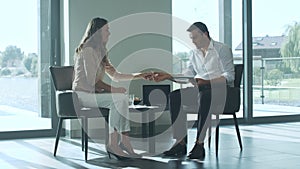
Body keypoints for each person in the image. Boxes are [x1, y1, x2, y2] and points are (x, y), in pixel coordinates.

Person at [72, 17, 151, 160]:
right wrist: (114, 90)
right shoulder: (87, 50)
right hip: (82, 94)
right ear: (98, 32)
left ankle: (124, 142)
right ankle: (113, 144)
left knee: (122, 99)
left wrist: (139, 75)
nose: (109, 33)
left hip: (93, 94)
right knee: (118, 98)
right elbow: (92, 81)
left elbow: (115, 75)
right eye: (107, 30)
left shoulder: (101, 51)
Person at [153, 22, 234, 159]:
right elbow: (188, 75)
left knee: (205, 95)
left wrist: (207, 82)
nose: (193, 41)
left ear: (205, 35)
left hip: (222, 91)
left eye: (195, 38)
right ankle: (180, 143)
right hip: (202, 88)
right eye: (191, 38)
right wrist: (168, 76)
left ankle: (199, 144)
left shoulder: (222, 49)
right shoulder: (193, 53)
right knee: (175, 96)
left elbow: (230, 76)